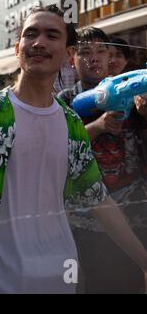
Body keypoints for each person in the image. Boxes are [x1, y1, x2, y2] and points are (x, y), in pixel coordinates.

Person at [0, 5, 147, 294]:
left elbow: (98, 199)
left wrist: (143, 261)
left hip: (60, 275)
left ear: (68, 53)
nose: (39, 42)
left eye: (52, 35)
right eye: (31, 34)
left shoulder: (71, 122)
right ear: (17, 46)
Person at [59, 28, 147, 293]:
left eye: (100, 51)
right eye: (85, 52)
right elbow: (58, 146)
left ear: (110, 56)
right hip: (87, 220)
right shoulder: (66, 101)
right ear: (72, 57)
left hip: (135, 211)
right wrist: (97, 126)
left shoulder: (130, 92)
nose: (93, 58)